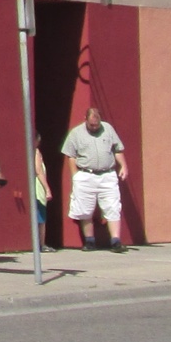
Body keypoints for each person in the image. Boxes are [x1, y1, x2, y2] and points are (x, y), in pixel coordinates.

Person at [61, 103, 133, 252]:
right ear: (85, 119)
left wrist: (124, 166)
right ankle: (89, 241)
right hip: (86, 174)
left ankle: (115, 241)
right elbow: (71, 156)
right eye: (91, 125)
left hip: (107, 174)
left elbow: (117, 149)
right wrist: (76, 176)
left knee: (113, 206)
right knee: (85, 209)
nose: (94, 127)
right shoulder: (76, 133)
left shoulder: (108, 129)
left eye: (97, 124)